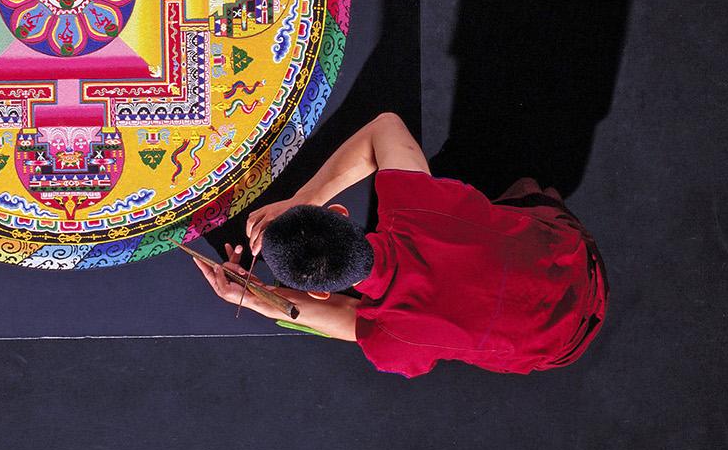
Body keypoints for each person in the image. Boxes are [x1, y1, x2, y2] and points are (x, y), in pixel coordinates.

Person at [192, 113, 607, 377]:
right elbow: (386, 126)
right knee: (516, 193)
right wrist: (301, 200)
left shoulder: (396, 341)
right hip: (566, 260)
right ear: (339, 213)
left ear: (319, 288)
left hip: (556, 341)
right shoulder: (420, 209)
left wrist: (251, 297)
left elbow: (344, 320)